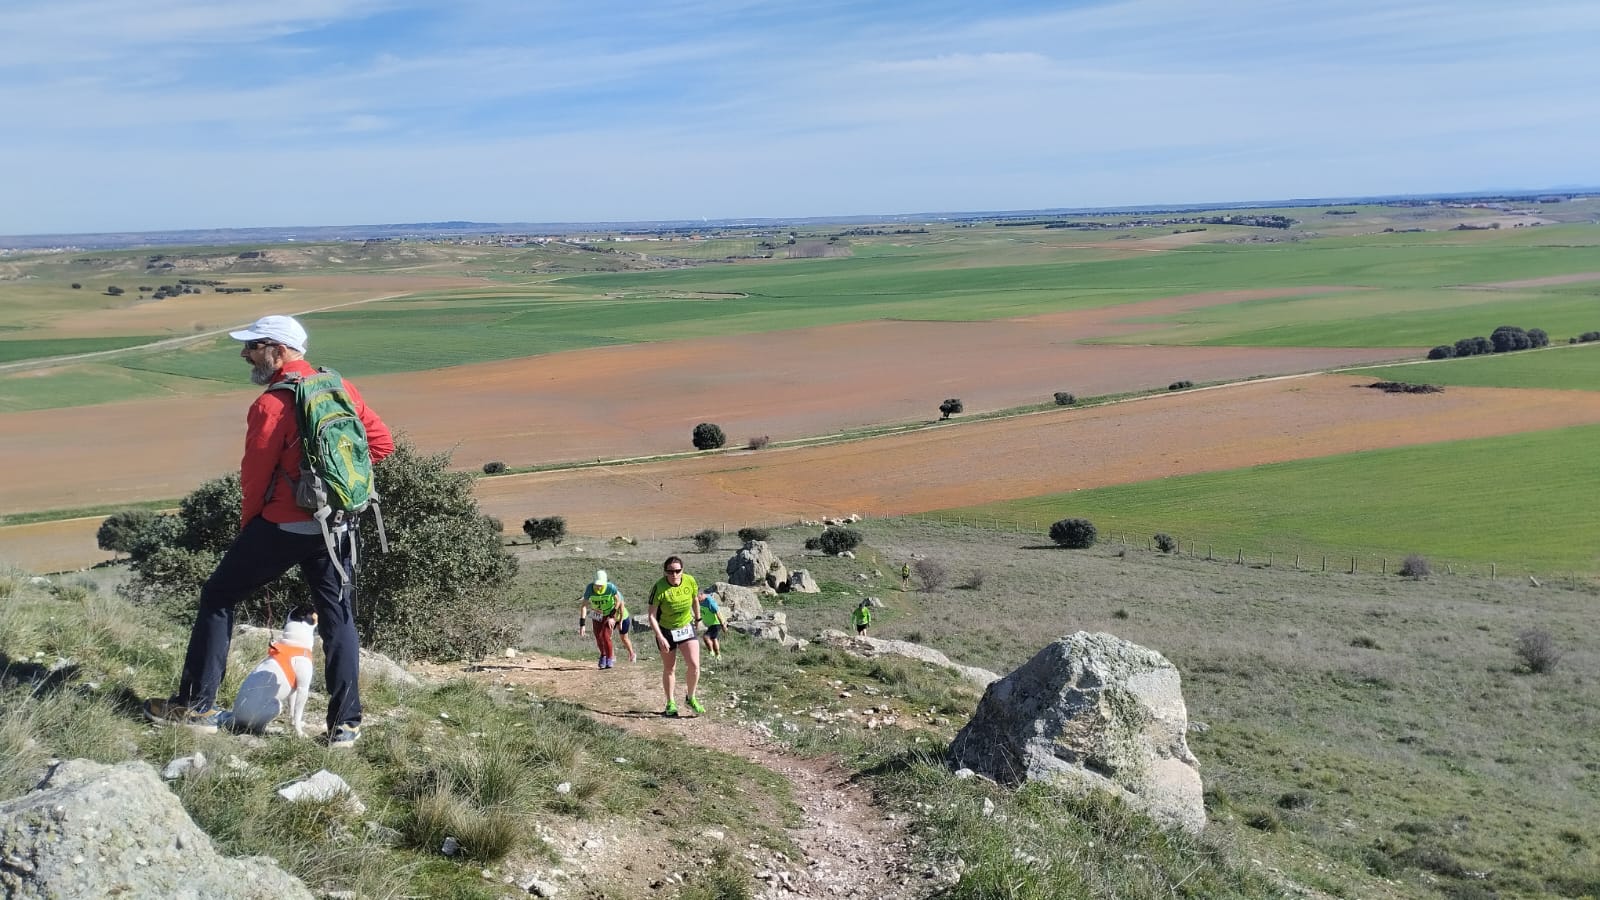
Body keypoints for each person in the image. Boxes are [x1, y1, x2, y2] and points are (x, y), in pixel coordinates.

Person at [143, 315, 393, 748]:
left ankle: (196, 706)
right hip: (337, 525)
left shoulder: (271, 404)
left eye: (253, 346)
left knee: (219, 596)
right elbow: (381, 444)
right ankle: (345, 726)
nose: (245, 354)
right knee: (338, 619)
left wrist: (250, 527)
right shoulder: (338, 386)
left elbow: (254, 477)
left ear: (278, 348)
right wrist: (337, 483)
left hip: (283, 524)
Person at [648, 555, 705, 716]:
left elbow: (694, 599)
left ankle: (691, 697)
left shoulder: (690, 581)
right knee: (670, 668)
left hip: (686, 627)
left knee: (694, 665)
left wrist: (698, 618)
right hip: (665, 630)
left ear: (682, 571)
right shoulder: (659, 587)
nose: (674, 574)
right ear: (665, 572)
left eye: (677, 571)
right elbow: (651, 615)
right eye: (670, 571)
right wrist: (660, 637)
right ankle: (670, 702)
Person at [577, 569, 624, 669]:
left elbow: (618, 600)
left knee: (605, 636)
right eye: (597, 584)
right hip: (596, 614)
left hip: (608, 613)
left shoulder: (610, 587)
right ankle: (603, 655)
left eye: (601, 585)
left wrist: (612, 616)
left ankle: (610, 658)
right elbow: (584, 606)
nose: (598, 587)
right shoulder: (590, 588)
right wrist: (582, 624)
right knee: (598, 636)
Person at [699, 589, 725, 658]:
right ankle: (718, 655)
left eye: (697, 597)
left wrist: (723, 625)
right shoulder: (700, 601)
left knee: (706, 637)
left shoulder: (709, 601)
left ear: (701, 594)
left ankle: (711, 653)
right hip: (711, 624)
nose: (696, 599)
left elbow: (718, 612)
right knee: (714, 638)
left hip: (716, 623)